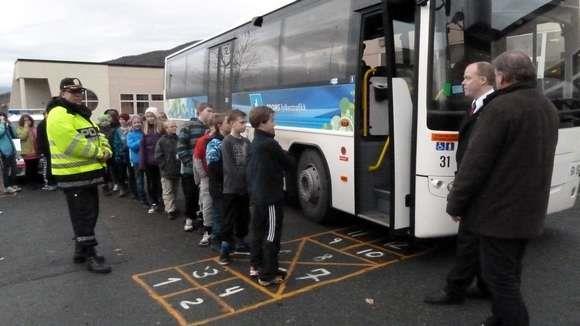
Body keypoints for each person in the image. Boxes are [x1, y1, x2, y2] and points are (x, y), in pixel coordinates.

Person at [446, 51, 559, 326]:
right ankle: (499, 317)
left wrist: (455, 203)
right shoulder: (547, 106)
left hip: (500, 213)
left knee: (500, 278)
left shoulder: (500, 108)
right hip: (529, 209)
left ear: (502, 76)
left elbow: (476, 164)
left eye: (496, 75)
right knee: (510, 270)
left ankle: (512, 320)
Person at [425, 62, 494, 305]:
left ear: (484, 80)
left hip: (480, 186)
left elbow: (479, 156)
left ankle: (454, 291)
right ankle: (485, 285)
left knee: (468, 240)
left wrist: (460, 193)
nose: (462, 82)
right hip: (478, 183)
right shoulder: (477, 106)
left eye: (467, 77)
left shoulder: (492, 108)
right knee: (480, 240)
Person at [46, 77, 112, 273]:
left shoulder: (80, 114)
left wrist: (106, 149)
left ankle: (80, 250)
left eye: (79, 92)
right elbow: (71, 143)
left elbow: (98, 134)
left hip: (87, 174)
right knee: (83, 215)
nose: (77, 96)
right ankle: (90, 255)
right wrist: (99, 153)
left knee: (88, 214)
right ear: (62, 93)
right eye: (72, 92)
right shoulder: (58, 113)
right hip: (72, 174)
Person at [247, 106, 295, 286]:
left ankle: (257, 265)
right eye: (272, 121)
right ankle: (267, 274)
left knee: (258, 231)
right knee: (271, 235)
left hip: (257, 195)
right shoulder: (269, 144)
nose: (275, 124)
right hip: (270, 197)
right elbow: (289, 162)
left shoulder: (256, 142)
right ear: (262, 123)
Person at [219, 109, 251, 265]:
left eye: (245, 122)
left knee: (243, 217)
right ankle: (225, 249)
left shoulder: (246, 142)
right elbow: (230, 168)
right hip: (231, 189)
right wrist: (244, 179)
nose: (244, 125)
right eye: (241, 122)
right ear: (231, 123)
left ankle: (241, 241)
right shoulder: (227, 142)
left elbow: (251, 162)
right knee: (228, 219)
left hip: (245, 189)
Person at [177, 103, 214, 232]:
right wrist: (191, 164)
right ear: (200, 111)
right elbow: (181, 147)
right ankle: (189, 218)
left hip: (205, 171)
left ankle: (201, 218)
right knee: (190, 195)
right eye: (208, 110)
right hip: (189, 170)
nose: (211, 113)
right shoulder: (188, 126)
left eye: (212, 111)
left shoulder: (211, 128)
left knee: (203, 197)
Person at [206, 113, 231, 253]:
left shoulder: (230, 140)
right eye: (228, 122)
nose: (231, 124)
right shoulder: (214, 142)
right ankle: (216, 239)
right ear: (219, 125)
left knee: (228, 214)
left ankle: (227, 239)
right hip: (218, 185)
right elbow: (213, 167)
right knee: (219, 214)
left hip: (229, 185)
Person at [193, 116, 216, 246]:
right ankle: (207, 230)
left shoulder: (222, 139)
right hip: (207, 177)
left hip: (220, 177)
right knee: (207, 202)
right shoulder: (203, 140)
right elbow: (197, 159)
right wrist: (203, 176)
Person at [155, 120, 181, 219]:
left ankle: (173, 207)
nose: (174, 128)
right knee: (167, 191)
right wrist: (164, 166)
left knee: (175, 190)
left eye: (175, 126)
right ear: (166, 129)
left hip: (176, 169)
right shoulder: (161, 141)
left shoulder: (178, 139)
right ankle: (170, 210)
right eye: (171, 126)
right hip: (166, 171)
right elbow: (158, 155)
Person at [140, 107, 163, 214]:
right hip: (149, 162)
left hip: (160, 161)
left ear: (156, 116)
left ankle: (161, 199)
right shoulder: (144, 130)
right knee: (150, 183)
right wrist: (142, 162)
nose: (150, 118)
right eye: (148, 116)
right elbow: (142, 148)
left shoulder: (161, 129)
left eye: (152, 116)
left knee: (161, 182)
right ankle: (153, 202)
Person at [127, 115, 147, 206]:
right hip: (136, 160)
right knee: (140, 180)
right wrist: (141, 140)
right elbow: (132, 146)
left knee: (149, 179)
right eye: (135, 123)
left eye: (139, 122)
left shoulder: (144, 132)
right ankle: (142, 197)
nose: (137, 124)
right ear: (132, 124)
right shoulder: (130, 134)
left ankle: (150, 196)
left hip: (146, 159)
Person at [17, 114, 41, 185]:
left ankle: (35, 181)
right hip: (27, 152)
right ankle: (30, 183)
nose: (27, 121)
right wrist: (26, 127)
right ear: (22, 121)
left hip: (36, 151)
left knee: (35, 167)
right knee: (29, 168)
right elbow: (23, 137)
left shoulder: (34, 128)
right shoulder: (20, 129)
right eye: (25, 120)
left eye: (28, 119)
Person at [36, 111, 57, 190]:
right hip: (46, 149)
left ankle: (55, 182)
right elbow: (40, 139)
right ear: (44, 115)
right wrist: (41, 150)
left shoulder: (52, 123)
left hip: (54, 148)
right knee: (48, 166)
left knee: (54, 166)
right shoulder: (41, 125)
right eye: (47, 114)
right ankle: (49, 183)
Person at [112, 113, 131, 197]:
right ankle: (122, 188)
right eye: (120, 119)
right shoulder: (117, 130)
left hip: (130, 154)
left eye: (123, 119)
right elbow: (115, 142)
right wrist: (119, 151)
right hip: (120, 154)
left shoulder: (131, 129)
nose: (121, 121)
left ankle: (131, 187)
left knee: (131, 172)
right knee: (121, 172)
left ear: (127, 120)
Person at [0, 112, 20, 193]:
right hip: (3, 152)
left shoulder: (6, 126)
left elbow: (15, 135)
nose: (3, 119)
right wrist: (1, 123)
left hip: (11, 151)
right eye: (1, 118)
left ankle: (12, 184)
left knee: (14, 169)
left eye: (4, 117)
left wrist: (10, 125)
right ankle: (7, 186)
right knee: (6, 170)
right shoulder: (1, 126)